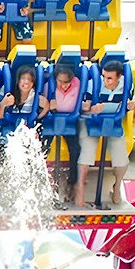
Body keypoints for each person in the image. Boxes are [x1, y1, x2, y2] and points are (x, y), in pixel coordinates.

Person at [74, 59, 129, 209]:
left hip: (113, 122)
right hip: (91, 120)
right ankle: (80, 187)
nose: (105, 81)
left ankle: (116, 187)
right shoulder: (94, 84)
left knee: (122, 158)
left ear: (119, 77)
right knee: (87, 152)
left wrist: (131, 106)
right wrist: (92, 109)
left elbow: (128, 103)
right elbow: (82, 107)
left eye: (109, 78)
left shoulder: (125, 85)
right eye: (104, 76)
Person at [0, 65, 41, 187]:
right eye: (23, 78)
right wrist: (3, 105)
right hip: (4, 127)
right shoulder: (6, 89)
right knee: (3, 152)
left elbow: (45, 106)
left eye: (30, 80)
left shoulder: (34, 96)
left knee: (29, 153)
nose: (26, 82)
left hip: (23, 129)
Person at [46, 62, 83, 201]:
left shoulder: (77, 84)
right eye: (60, 82)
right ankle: (42, 179)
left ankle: (72, 183)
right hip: (51, 120)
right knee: (43, 148)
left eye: (67, 82)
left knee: (75, 150)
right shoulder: (48, 85)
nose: (63, 85)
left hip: (70, 120)